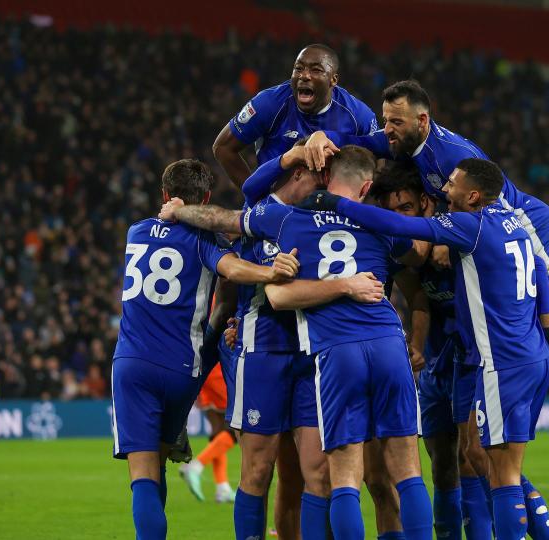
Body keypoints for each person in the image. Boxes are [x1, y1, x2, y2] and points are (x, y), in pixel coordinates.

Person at [303, 80, 549, 426]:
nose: (387, 129)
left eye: (396, 122)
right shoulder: (404, 142)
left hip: (524, 222)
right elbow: (359, 142)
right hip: (492, 228)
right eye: (386, 120)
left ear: (422, 121)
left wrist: (444, 237)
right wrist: (319, 139)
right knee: (539, 308)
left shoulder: (454, 154)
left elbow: (491, 205)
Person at [307, 158, 549, 540]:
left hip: (485, 361)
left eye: (406, 206)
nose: (446, 187)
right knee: (449, 461)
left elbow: (404, 228)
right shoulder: (505, 224)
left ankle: (541, 534)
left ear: (429, 203)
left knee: (484, 460)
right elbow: (539, 269)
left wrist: (338, 205)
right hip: (466, 362)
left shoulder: (462, 229)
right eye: (391, 207)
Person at [160, 146, 391, 540]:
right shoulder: (266, 213)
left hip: (312, 356)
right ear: (300, 174)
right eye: (320, 177)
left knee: (317, 471)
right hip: (261, 353)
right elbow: (223, 233)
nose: (326, 186)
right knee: (258, 469)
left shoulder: (327, 220)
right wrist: (179, 211)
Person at [111, 159, 303, 540]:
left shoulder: (137, 231)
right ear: (208, 199)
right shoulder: (204, 241)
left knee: (144, 476)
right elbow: (232, 270)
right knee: (162, 460)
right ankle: (179, 435)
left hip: (132, 364)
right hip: (183, 367)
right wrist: (272, 272)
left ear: (165, 196)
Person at [213, 44, 377, 188]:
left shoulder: (360, 116)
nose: (304, 75)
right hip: (274, 209)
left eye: (316, 70)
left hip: (327, 213)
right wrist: (257, 198)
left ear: (333, 80)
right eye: (298, 68)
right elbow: (223, 148)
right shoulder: (269, 103)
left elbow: (377, 166)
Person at [178, 361, 237, 503]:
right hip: (218, 369)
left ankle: (222, 487)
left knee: (218, 429)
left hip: (200, 371)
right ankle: (195, 466)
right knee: (236, 428)